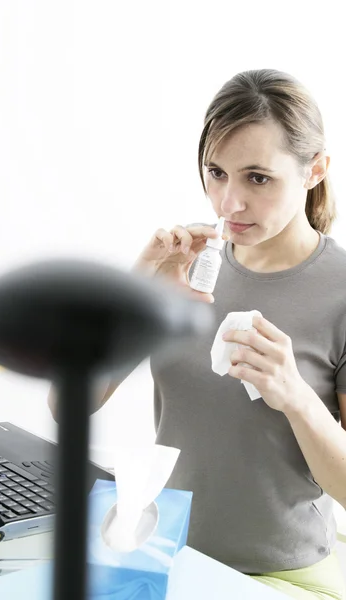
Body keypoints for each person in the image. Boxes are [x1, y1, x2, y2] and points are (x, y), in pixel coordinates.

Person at [49, 69, 346, 599]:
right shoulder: (187, 264)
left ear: (315, 170)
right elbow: (66, 404)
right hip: (162, 556)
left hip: (284, 576)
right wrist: (136, 294)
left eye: (257, 177)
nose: (227, 203)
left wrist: (295, 395)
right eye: (216, 172)